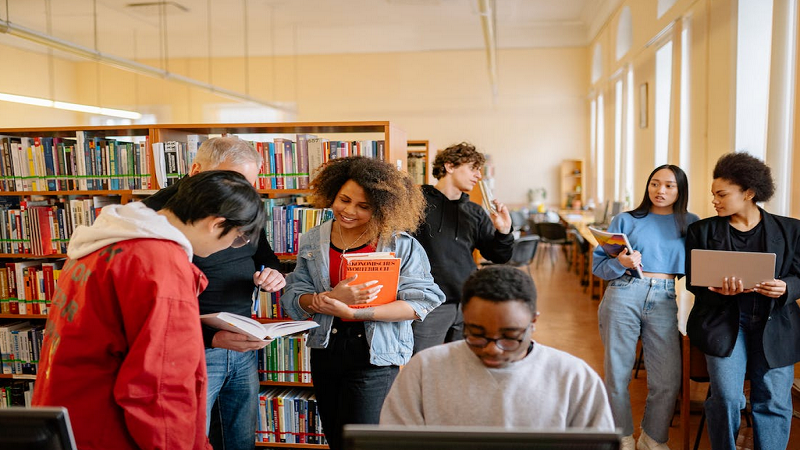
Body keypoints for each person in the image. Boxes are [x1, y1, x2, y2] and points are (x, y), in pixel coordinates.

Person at [32, 170, 266, 450]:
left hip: (73, 419)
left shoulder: (105, 242)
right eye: (238, 238)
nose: (232, 246)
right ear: (216, 224)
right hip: (115, 430)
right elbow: (159, 386)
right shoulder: (160, 263)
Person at [280, 156, 445, 450]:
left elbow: (421, 302)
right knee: (336, 437)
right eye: (344, 199)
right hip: (326, 349)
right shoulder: (312, 240)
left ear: (382, 208)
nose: (349, 211)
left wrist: (357, 312)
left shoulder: (399, 244)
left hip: (375, 354)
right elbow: (293, 297)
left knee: (363, 441)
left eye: (364, 206)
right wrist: (326, 300)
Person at [142, 136, 286, 450]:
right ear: (196, 170)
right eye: (232, 181)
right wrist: (210, 338)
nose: (242, 196)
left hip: (240, 338)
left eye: (248, 185)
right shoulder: (153, 222)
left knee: (239, 439)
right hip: (190, 347)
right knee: (188, 437)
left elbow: (264, 255)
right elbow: (152, 315)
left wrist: (272, 272)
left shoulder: (241, 206)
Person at [380, 265, 614, 430]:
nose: (493, 349)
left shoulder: (574, 378)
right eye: (477, 335)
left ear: (534, 321)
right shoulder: (424, 370)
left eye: (510, 337)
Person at [686, 152, 800, 450]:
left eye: (722, 194)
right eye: (713, 195)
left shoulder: (791, 230)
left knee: (773, 399)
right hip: (724, 323)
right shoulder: (702, 231)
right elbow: (693, 281)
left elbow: (799, 276)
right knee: (725, 396)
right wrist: (714, 290)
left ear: (749, 193)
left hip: (774, 325)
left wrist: (785, 287)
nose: (715, 201)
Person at [592, 164, 699, 450]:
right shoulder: (625, 220)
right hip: (623, 292)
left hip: (665, 297)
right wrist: (620, 263)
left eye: (668, 185)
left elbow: (699, 267)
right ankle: (622, 436)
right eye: (654, 183)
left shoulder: (691, 223)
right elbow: (599, 267)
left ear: (680, 190)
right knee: (617, 374)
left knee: (667, 379)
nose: (660, 190)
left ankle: (652, 439)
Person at [411, 142, 514, 353]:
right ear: (449, 166)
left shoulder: (475, 212)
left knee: (462, 368)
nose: (478, 176)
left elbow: (498, 256)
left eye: (480, 170)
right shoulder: (416, 203)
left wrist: (503, 231)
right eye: (472, 168)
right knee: (422, 366)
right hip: (429, 304)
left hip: (468, 303)